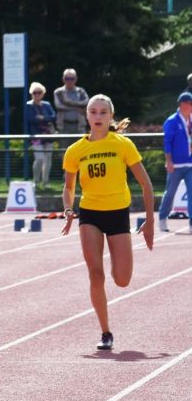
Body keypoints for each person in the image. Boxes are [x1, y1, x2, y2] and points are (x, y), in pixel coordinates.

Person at [61, 95, 154, 351]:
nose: (98, 116)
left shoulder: (123, 145)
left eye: (103, 112)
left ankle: (117, 261)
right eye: (94, 112)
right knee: (95, 273)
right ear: (87, 116)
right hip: (89, 213)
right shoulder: (75, 150)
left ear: (110, 116)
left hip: (117, 213)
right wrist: (68, 208)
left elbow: (146, 184)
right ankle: (105, 332)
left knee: (122, 279)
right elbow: (68, 188)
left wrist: (150, 221)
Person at [157, 92, 192, 233]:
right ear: (183, 104)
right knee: (170, 193)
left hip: (190, 164)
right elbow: (167, 143)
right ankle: (162, 218)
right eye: (190, 103)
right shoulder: (171, 121)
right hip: (175, 165)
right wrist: (168, 161)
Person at [25, 82, 58, 190]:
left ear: (43, 94)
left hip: (48, 135)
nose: (37, 95)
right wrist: (44, 118)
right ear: (31, 94)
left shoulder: (47, 105)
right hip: (36, 136)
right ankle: (35, 181)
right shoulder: (28, 105)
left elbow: (53, 116)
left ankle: (45, 182)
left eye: (39, 92)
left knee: (48, 159)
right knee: (39, 159)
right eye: (34, 93)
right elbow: (31, 119)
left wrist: (43, 118)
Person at [53, 68, 88, 134]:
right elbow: (59, 106)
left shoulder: (81, 91)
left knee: (80, 144)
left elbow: (86, 102)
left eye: (72, 79)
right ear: (63, 79)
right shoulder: (58, 92)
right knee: (64, 144)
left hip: (79, 126)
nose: (69, 81)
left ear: (76, 79)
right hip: (63, 126)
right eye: (67, 78)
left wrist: (67, 102)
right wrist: (77, 107)